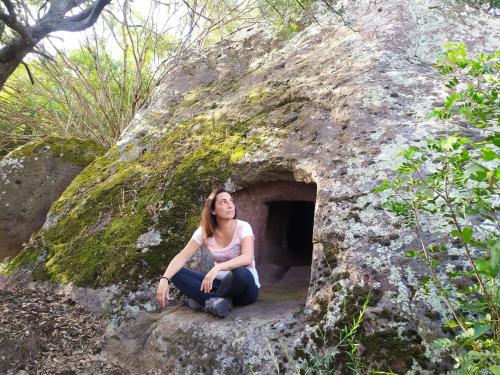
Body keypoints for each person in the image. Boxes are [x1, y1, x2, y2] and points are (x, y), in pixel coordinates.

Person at [156, 187, 260, 318]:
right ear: (212, 210)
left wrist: (218, 267)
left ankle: (206, 300)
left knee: (241, 272)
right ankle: (217, 301)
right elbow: (182, 257)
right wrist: (164, 279)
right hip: (219, 285)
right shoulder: (204, 231)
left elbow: (247, 258)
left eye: (231, 201)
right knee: (176, 273)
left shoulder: (243, 227)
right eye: (223, 202)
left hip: (245, 289)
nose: (230, 205)